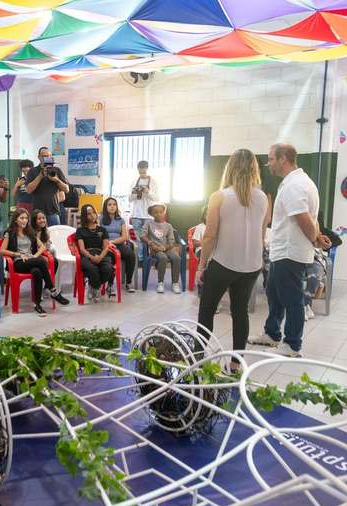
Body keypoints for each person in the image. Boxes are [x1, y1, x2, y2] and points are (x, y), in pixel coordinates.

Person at [250, 144, 330, 357]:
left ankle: (293, 345)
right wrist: (318, 236)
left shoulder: (295, 185)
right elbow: (312, 218)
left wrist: (315, 240)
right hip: (283, 249)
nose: (269, 164)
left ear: (283, 158)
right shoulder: (298, 182)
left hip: (290, 251)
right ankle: (272, 334)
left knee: (292, 298)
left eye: (271, 159)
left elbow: (303, 218)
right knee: (274, 293)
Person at [196, 149, 269, 372]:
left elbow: (209, 235)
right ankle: (236, 365)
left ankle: (197, 359)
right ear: (254, 169)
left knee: (207, 310)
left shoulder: (220, 196)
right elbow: (262, 232)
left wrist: (201, 266)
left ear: (230, 167)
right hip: (251, 265)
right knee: (240, 312)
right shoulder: (263, 197)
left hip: (223, 262)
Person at [0, 208, 69, 317]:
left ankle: (37, 304)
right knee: (42, 261)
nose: (24, 221)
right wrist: (18, 255)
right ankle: (53, 291)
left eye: (26, 218)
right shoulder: (9, 233)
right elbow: (2, 250)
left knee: (37, 271)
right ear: (15, 220)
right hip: (18, 263)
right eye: (21, 218)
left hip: (31, 260)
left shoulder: (30, 232)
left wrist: (34, 256)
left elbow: (42, 247)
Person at [303, 211, 342, 320]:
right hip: (298, 257)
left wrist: (325, 244)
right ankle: (304, 305)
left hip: (315, 258)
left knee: (314, 275)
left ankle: (305, 304)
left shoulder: (321, 230)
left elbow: (337, 241)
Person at [75, 204, 115, 302]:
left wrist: (100, 257)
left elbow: (106, 247)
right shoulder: (80, 230)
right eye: (89, 214)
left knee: (108, 269)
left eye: (93, 212)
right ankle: (96, 288)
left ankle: (93, 286)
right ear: (85, 216)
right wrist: (91, 257)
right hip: (87, 255)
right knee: (92, 268)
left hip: (101, 254)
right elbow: (82, 249)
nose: (92, 215)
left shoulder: (102, 229)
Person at [141, 204, 181, 294]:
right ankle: (160, 282)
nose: (159, 214)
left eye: (161, 212)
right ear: (151, 214)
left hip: (167, 248)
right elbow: (142, 236)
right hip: (155, 250)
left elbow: (171, 242)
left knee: (176, 258)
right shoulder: (149, 224)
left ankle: (175, 283)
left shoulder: (168, 226)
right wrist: (151, 243)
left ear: (164, 213)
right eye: (156, 212)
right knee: (163, 258)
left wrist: (163, 248)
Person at [26, 147, 69, 226]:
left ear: (51, 157)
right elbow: (28, 190)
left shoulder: (56, 170)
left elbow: (66, 189)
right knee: (37, 236)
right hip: (37, 213)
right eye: (44, 156)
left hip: (53, 211)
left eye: (48, 156)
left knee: (55, 236)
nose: (46, 158)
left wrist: (56, 180)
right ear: (39, 157)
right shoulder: (32, 171)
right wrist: (40, 175)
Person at [100, 197, 136, 293]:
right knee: (110, 258)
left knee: (131, 255)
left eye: (114, 204)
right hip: (106, 245)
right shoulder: (101, 218)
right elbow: (98, 234)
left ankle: (128, 282)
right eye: (109, 205)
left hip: (118, 243)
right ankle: (110, 285)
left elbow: (125, 237)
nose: (112, 207)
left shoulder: (120, 220)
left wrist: (113, 242)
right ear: (105, 206)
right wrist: (107, 243)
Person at [129, 160, 161, 259]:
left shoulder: (154, 181)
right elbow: (129, 199)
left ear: (147, 169)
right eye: (140, 172)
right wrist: (135, 193)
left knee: (149, 239)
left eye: (143, 171)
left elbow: (157, 198)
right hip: (136, 215)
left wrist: (148, 192)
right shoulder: (134, 181)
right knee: (138, 239)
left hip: (148, 216)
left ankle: (150, 258)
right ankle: (141, 259)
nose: (142, 173)